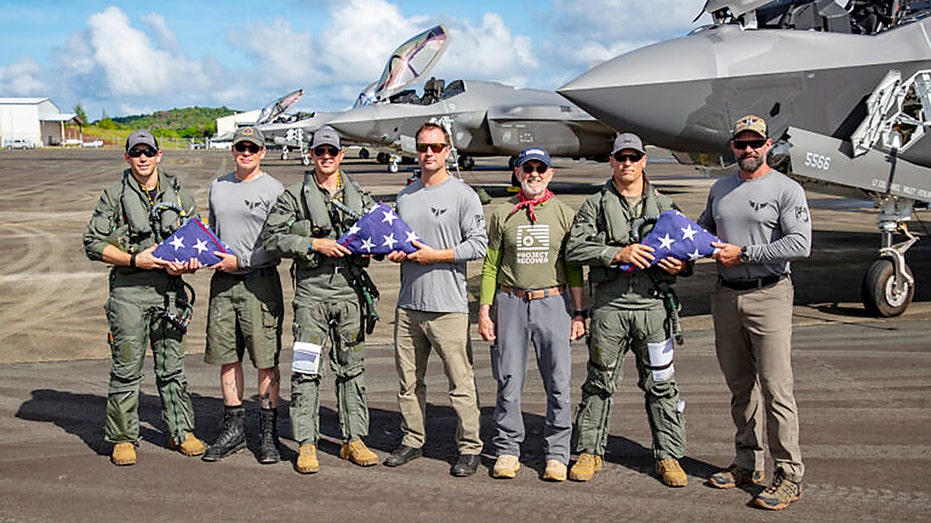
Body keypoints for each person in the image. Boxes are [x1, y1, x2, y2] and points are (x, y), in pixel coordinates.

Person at [697, 115, 811, 510]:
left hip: (769, 294)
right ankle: (747, 462)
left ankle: (789, 475)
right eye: (741, 143)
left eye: (755, 143)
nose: (748, 150)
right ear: (732, 147)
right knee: (740, 386)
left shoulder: (786, 189)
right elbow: (702, 232)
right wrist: (671, 247)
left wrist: (745, 253)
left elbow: (800, 243)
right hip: (726, 296)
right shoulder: (720, 188)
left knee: (776, 388)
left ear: (768, 145)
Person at [565, 132, 690, 487]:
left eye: (634, 157)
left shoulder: (665, 206)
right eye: (622, 157)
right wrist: (615, 253)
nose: (628, 163)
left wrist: (682, 266)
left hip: (654, 308)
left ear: (644, 161)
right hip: (611, 308)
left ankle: (668, 456)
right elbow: (574, 248)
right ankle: (589, 451)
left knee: (662, 384)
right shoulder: (595, 205)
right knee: (599, 381)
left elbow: (690, 250)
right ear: (612, 162)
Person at [259, 126, 380, 474]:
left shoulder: (360, 195)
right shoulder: (293, 196)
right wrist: (313, 244)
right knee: (306, 368)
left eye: (332, 151)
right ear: (312, 155)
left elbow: (382, 233)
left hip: (350, 292)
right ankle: (306, 443)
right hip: (311, 294)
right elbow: (271, 238)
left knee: (352, 368)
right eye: (320, 151)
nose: (326, 157)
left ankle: (353, 438)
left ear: (341, 155)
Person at [83, 129, 205, 466]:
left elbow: (197, 241)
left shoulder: (179, 195)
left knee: (172, 368)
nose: (142, 158)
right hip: (129, 293)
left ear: (158, 155)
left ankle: (181, 431)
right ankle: (123, 437)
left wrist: (189, 265)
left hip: (170, 293)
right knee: (126, 368)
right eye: (136, 152)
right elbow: (93, 243)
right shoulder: (114, 196)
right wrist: (135, 259)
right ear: (127, 157)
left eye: (148, 152)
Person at [383, 122, 488, 477]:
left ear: (447, 151)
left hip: (448, 308)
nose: (429, 153)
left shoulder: (463, 195)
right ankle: (412, 439)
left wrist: (436, 256)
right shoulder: (405, 196)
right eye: (423, 147)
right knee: (408, 382)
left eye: (436, 147)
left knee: (461, 383)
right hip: (409, 305)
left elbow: (479, 245)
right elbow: (400, 243)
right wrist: (395, 253)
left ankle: (470, 447)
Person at [478, 147, 586, 482]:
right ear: (518, 173)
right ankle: (508, 449)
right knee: (508, 380)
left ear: (550, 173)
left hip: (552, 302)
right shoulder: (502, 214)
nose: (534, 174)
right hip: (511, 302)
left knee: (558, 381)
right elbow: (491, 265)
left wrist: (579, 313)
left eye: (541, 168)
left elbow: (573, 268)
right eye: (528, 168)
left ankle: (557, 454)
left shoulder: (564, 214)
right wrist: (485, 310)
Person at [201, 126, 285, 464]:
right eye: (241, 147)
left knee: (265, 360)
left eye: (252, 148)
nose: (246, 153)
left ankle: (267, 433)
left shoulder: (274, 190)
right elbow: (212, 233)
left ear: (262, 152)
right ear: (233, 150)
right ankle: (234, 429)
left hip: (259, 283)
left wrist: (242, 260)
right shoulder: (218, 186)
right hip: (223, 283)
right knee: (228, 356)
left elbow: (278, 244)